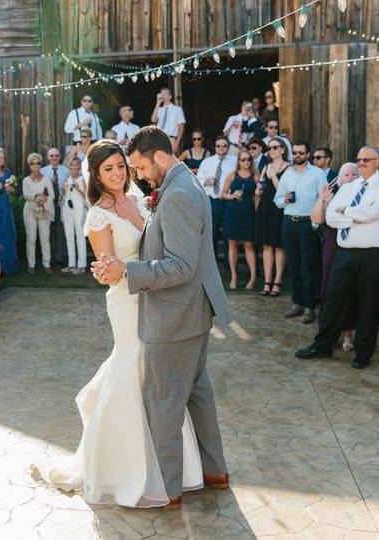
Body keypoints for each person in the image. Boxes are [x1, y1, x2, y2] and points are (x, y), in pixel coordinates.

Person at [31, 139, 205, 509]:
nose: (117, 173)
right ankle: (125, 469)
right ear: (95, 174)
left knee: (157, 375)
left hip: (157, 295)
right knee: (132, 368)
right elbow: (109, 270)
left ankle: (171, 465)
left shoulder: (141, 199)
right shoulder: (98, 215)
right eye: (107, 169)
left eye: (120, 166)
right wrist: (105, 271)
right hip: (126, 301)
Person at [92, 127, 232, 509]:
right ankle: (215, 471)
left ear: (158, 157)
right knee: (197, 393)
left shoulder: (178, 195)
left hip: (175, 315)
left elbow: (182, 266)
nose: (137, 176)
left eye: (138, 167)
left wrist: (129, 272)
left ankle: (169, 490)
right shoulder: (183, 182)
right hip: (191, 313)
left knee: (164, 401)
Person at [296, 146, 379, 369]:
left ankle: (363, 353)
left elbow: (374, 213)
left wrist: (347, 212)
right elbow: (331, 217)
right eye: (359, 159)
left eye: (366, 160)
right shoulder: (348, 188)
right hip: (346, 253)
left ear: (377, 161)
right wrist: (355, 215)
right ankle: (322, 345)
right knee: (332, 300)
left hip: (375, 254)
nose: (361, 163)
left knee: (368, 304)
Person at [274, 141, 326, 324]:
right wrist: (284, 199)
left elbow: (324, 198)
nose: (297, 155)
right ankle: (298, 302)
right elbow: (277, 200)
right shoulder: (287, 175)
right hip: (289, 223)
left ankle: (310, 307)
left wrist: (317, 223)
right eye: (295, 153)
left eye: (301, 153)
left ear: (308, 154)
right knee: (294, 265)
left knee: (309, 267)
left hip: (308, 224)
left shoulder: (318, 174)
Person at [311, 162, 359, 350]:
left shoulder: (363, 195)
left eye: (355, 174)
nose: (351, 177)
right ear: (339, 179)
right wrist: (322, 199)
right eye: (346, 174)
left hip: (356, 243)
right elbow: (316, 220)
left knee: (351, 288)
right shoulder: (332, 196)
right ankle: (326, 331)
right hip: (333, 242)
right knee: (328, 285)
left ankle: (348, 333)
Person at [254, 138, 290, 297]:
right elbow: (260, 187)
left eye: (275, 147)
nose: (272, 150)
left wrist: (274, 176)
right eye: (270, 148)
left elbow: (283, 191)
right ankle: (267, 281)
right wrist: (258, 191)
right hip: (266, 208)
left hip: (279, 209)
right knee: (267, 246)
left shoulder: (289, 168)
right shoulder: (266, 166)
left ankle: (277, 281)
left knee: (279, 246)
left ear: (283, 149)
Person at [196, 136, 236, 267]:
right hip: (212, 201)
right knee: (211, 233)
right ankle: (211, 264)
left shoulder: (235, 161)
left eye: (224, 145)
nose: (221, 148)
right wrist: (204, 182)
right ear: (215, 147)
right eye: (218, 145)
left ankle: (228, 265)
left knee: (228, 233)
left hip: (229, 201)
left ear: (228, 146)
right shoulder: (207, 162)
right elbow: (197, 180)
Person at [221, 150, 258, 289]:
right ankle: (234, 276)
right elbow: (223, 193)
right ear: (239, 161)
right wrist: (232, 195)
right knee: (232, 243)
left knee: (248, 244)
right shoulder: (232, 175)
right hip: (232, 212)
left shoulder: (255, 177)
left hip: (248, 213)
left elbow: (259, 195)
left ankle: (253, 277)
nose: (246, 162)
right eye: (243, 160)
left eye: (248, 159)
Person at [22, 152, 55, 273]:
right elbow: (26, 194)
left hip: (44, 210)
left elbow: (51, 195)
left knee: (45, 238)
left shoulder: (46, 179)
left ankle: (46, 263)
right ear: (29, 165)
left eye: (38, 163)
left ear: (41, 164)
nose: (35, 165)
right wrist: (37, 196)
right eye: (33, 163)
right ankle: (31, 264)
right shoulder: (26, 180)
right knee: (31, 238)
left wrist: (45, 199)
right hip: (30, 211)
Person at [61, 158, 87, 274]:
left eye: (76, 165)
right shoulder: (68, 179)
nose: (73, 168)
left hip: (79, 209)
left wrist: (77, 187)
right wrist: (64, 190)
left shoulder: (83, 179)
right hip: (67, 209)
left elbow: (85, 196)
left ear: (79, 167)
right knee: (69, 237)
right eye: (71, 166)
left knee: (80, 237)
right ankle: (71, 264)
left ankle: (81, 265)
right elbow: (65, 195)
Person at [45, 147, 70, 266]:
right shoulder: (43, 171)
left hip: (61, 204)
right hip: (48, 204)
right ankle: (49, 257)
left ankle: (61, 257)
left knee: (61, 231)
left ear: (59, 157)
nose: (54, 157)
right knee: (48, 231)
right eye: (52, 155)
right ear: (48, 157)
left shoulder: (66, 171)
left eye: (56, 155)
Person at [151, 87, 186, 155]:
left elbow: (181, 127)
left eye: (165, 93)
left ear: (170, 96)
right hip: (158, 138)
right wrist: (158, 103)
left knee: (170, 161)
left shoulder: (177, 109)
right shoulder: (160, 109)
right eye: (162, 94)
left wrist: (177, 143)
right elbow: (153, 120)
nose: (163, 95)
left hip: (171, 138)